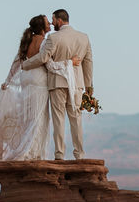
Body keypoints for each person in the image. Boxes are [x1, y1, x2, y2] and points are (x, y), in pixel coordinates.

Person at [0, 15, 82, 161]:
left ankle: (28, 148)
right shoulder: (45, 42)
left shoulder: (26, 42)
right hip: (39, 80)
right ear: (42, 27)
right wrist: (70, 63)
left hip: (25, 79)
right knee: (39, 118)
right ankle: (32, 152)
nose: (51, 25)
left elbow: (16, 63)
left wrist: (7, 81)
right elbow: (50, 65)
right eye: (48, 23)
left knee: (29, 116)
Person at [22, 8, 94, 161]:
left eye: (53, 20)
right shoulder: (84, 37)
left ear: (60, 20)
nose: (52, 23)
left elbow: (43, 58)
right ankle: (79, 154)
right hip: (77, 84)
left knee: (58, 119)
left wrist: (26, 65)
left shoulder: (53, 38)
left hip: (57, 83)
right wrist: (89, 86)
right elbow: (88, 63)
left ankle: (59, 154)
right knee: (76, 119)